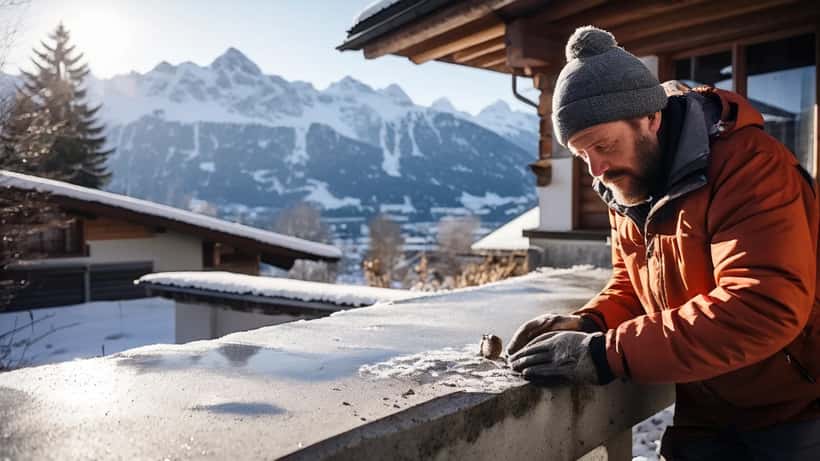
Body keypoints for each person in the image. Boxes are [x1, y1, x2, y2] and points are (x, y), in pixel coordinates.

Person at [506, 26, 820, 459]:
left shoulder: (750, 166)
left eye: (603, 145)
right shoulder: (628, 181)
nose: (596, 170)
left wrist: (604, 353)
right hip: (704, 412)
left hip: (794, 414)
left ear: (649, 119)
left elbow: (763, 306)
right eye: (582, 155)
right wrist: (588, 324)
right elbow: (637, 287)